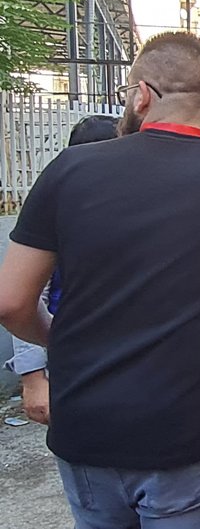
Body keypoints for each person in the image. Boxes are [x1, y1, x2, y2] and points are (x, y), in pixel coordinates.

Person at [0, 31, 200, 529]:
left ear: (142, 94)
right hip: (190, 433)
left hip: (87, 428)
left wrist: (58, 337)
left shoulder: (70, 171)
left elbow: (10, 302)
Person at [3, 115, 119, 426]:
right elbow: (21, 299)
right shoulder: (55, 211)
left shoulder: (135, 208)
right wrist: (33, 378)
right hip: (75, 359)